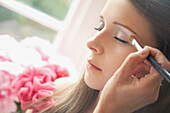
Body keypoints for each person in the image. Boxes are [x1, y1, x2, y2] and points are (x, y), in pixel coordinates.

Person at [29, 0, 170, 113]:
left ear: (156, 64)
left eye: (120, 38)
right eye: (100, 26)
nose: (91, 43)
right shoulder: (56, 95)